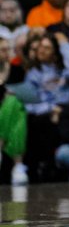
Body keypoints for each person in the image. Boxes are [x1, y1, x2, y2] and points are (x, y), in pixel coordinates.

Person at [0, 37, 29, 185]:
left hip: (12, 112)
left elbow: (27, 93)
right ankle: (18, 164)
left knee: (15, 104)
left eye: (8, 49)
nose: (6, 53)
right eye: (2, 50)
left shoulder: (17, 71)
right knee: (14, 106)